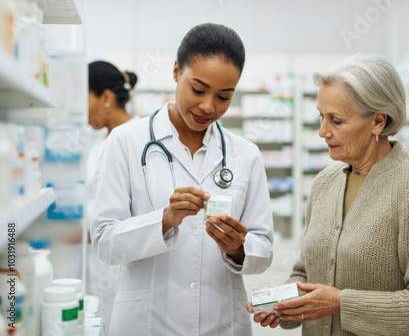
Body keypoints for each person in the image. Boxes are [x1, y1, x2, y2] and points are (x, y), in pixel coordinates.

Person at [248, 54, 409, 336]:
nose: (323, 131)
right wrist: (284, 302)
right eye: (321, 117)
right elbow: (305, 272)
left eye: (336, 121)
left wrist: (339, 304)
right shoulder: (325, 183)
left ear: (378, 122)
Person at [90, 23, 274, 336]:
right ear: (176, 71)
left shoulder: (246, 154)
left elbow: (265, 250)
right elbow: (105, 242)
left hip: (222, 322)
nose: (208, 107)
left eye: (223, 97)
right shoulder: (126, 141)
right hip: (147, 323)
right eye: (198, 90)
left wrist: (239, 248)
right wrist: (164, 220)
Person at [86, 61, 139, 327]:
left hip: (123, 264)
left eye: (84, 96)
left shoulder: (136, 139)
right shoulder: (99, 142)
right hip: (98, 262)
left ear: (105, 97)